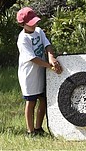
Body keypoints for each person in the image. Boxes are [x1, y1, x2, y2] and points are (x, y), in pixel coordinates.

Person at [16, 7, 63, 137]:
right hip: (29, 74)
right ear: (22, 24)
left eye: (35, 21)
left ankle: (38, 128)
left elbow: (47, 45)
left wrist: (51, 57)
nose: (35, 24)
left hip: (42, 72)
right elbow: (33, 58)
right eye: (30, 23)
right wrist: (49, 65)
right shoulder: (23, 39)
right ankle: (30, 131)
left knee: (43, 99)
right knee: (31, 102)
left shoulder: (39, 31)